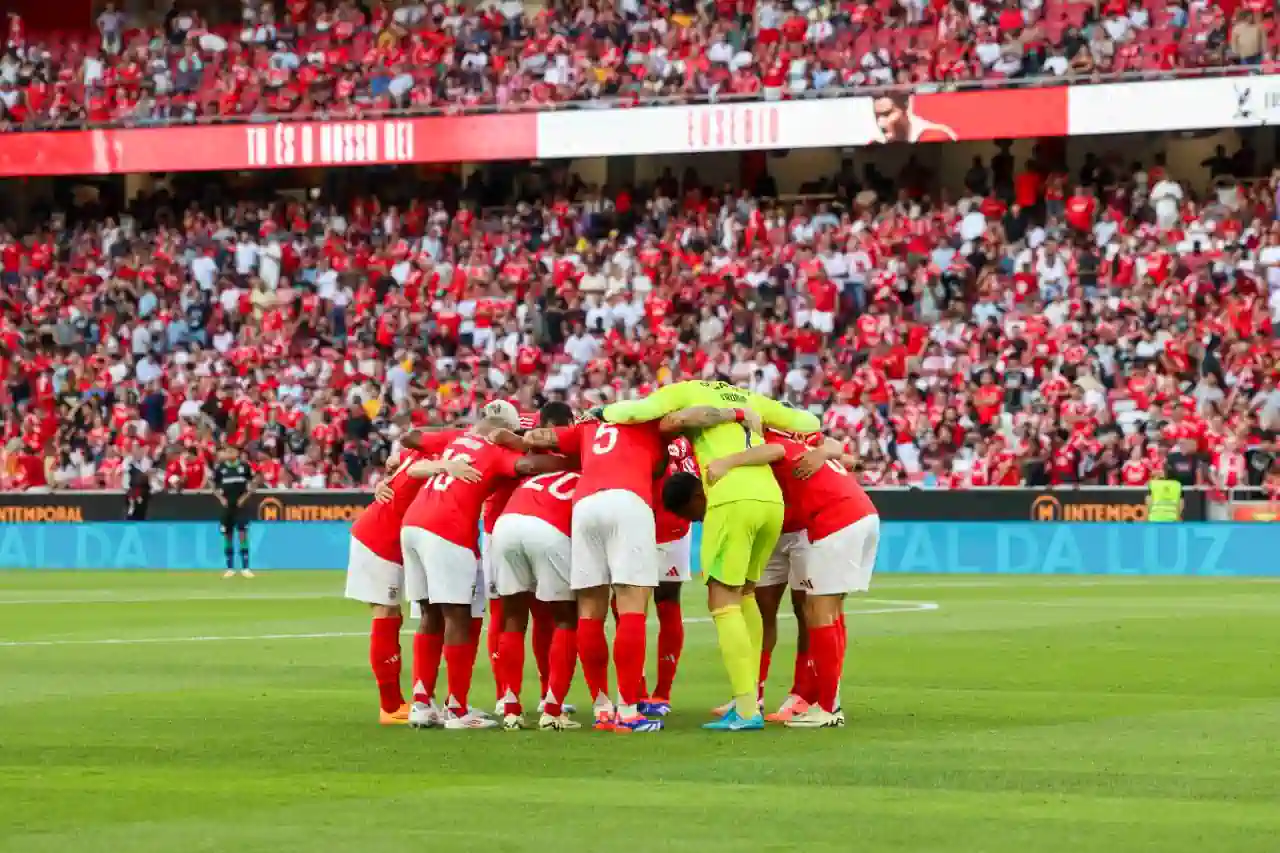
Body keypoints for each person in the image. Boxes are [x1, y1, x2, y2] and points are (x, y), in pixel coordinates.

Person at [603, 382, 821, 732]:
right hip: (771, 500)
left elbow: (633, 411)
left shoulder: (686, 390)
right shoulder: (750, 397)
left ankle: (747, 708)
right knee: (746, 593)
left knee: (722, 600)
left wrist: (604, 412)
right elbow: (808, 422)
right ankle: (750, 697)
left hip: (730, 497)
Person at [400, 410, 568, 730]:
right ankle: (458, 710)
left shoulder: (455, 439)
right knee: (458, 616)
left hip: (413, 524)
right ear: (505, 430)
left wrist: (459, 435)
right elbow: (529, 466)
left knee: (429, 614)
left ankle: (421, 702)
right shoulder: (494, 451)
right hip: (447, 529)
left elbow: (412, 436)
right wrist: (574, 462)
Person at [520, 414, 670, 732]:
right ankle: (628, 711)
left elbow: (535, 437)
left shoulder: (588, 428)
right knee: (632, 604)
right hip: (629, 499)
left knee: (590, 609)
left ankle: (602, 708)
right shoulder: (648, 422)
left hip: (585, 505)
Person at [345, 427, 479, 725]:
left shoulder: (413, 454)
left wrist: (386, 477)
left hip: (389, 538)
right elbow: (415, 470)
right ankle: (391, 706)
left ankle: (401, 701)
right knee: (386, 613)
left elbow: (398, 464)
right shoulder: (433, 460)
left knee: (393, 615)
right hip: (379, 539)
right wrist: (445, 466)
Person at [762, 431, 880, 728]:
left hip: (836, 520)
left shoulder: (771, 446)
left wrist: (724, 463)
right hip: (861, 513)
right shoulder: (802, 444)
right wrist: (827, 452)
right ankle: (826, 701)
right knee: (831, 611)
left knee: (819, 612)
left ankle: (829, 708)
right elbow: (847, 457)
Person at [490, 401, 580, 730]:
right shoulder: (583, 456)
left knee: (512, 617)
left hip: (507, 523)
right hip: (549, 528)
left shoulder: (535, 461)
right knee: (565, 620)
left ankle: (511, 706)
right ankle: (552, 709)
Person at [637, 436, 699, 718]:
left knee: (637, 604)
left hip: (660, 525)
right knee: (657, 603)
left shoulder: (648, 440)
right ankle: (649, 692)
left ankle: (655, 692)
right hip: (659, 525)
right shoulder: (688, 439)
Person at [212, 445, 255, 578]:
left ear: (237, 453)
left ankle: (245, 567)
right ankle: (230, 568)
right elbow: (213, 484)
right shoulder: (221, 468)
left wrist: (244, 497)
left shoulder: (244, 466)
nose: (228, 453)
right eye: (227, 451)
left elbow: (252, 484)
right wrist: (220, 499)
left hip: (240, 506)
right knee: (227, 535)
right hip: (227, 506)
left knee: (243, 534)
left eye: (231, 451)